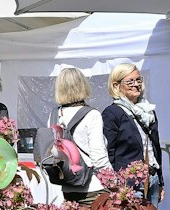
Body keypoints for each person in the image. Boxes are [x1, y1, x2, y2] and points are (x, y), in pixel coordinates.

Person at [51, 67, 112, 196]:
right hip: (93, 186)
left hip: (68, 185)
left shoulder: (54, 115)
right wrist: (113, 181)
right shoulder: (92, 115)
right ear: (83, 85)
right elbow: (98, 155)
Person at [101, 64, 161, 184]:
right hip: (129, 182)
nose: (136, 84)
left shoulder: (148, 111)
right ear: (116, 85)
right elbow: (108, 152)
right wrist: (113, 183)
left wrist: (161, 181)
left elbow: (155, 147)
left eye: (138, 80)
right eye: (130, 82)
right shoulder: (112, 113)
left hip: (153, 177)